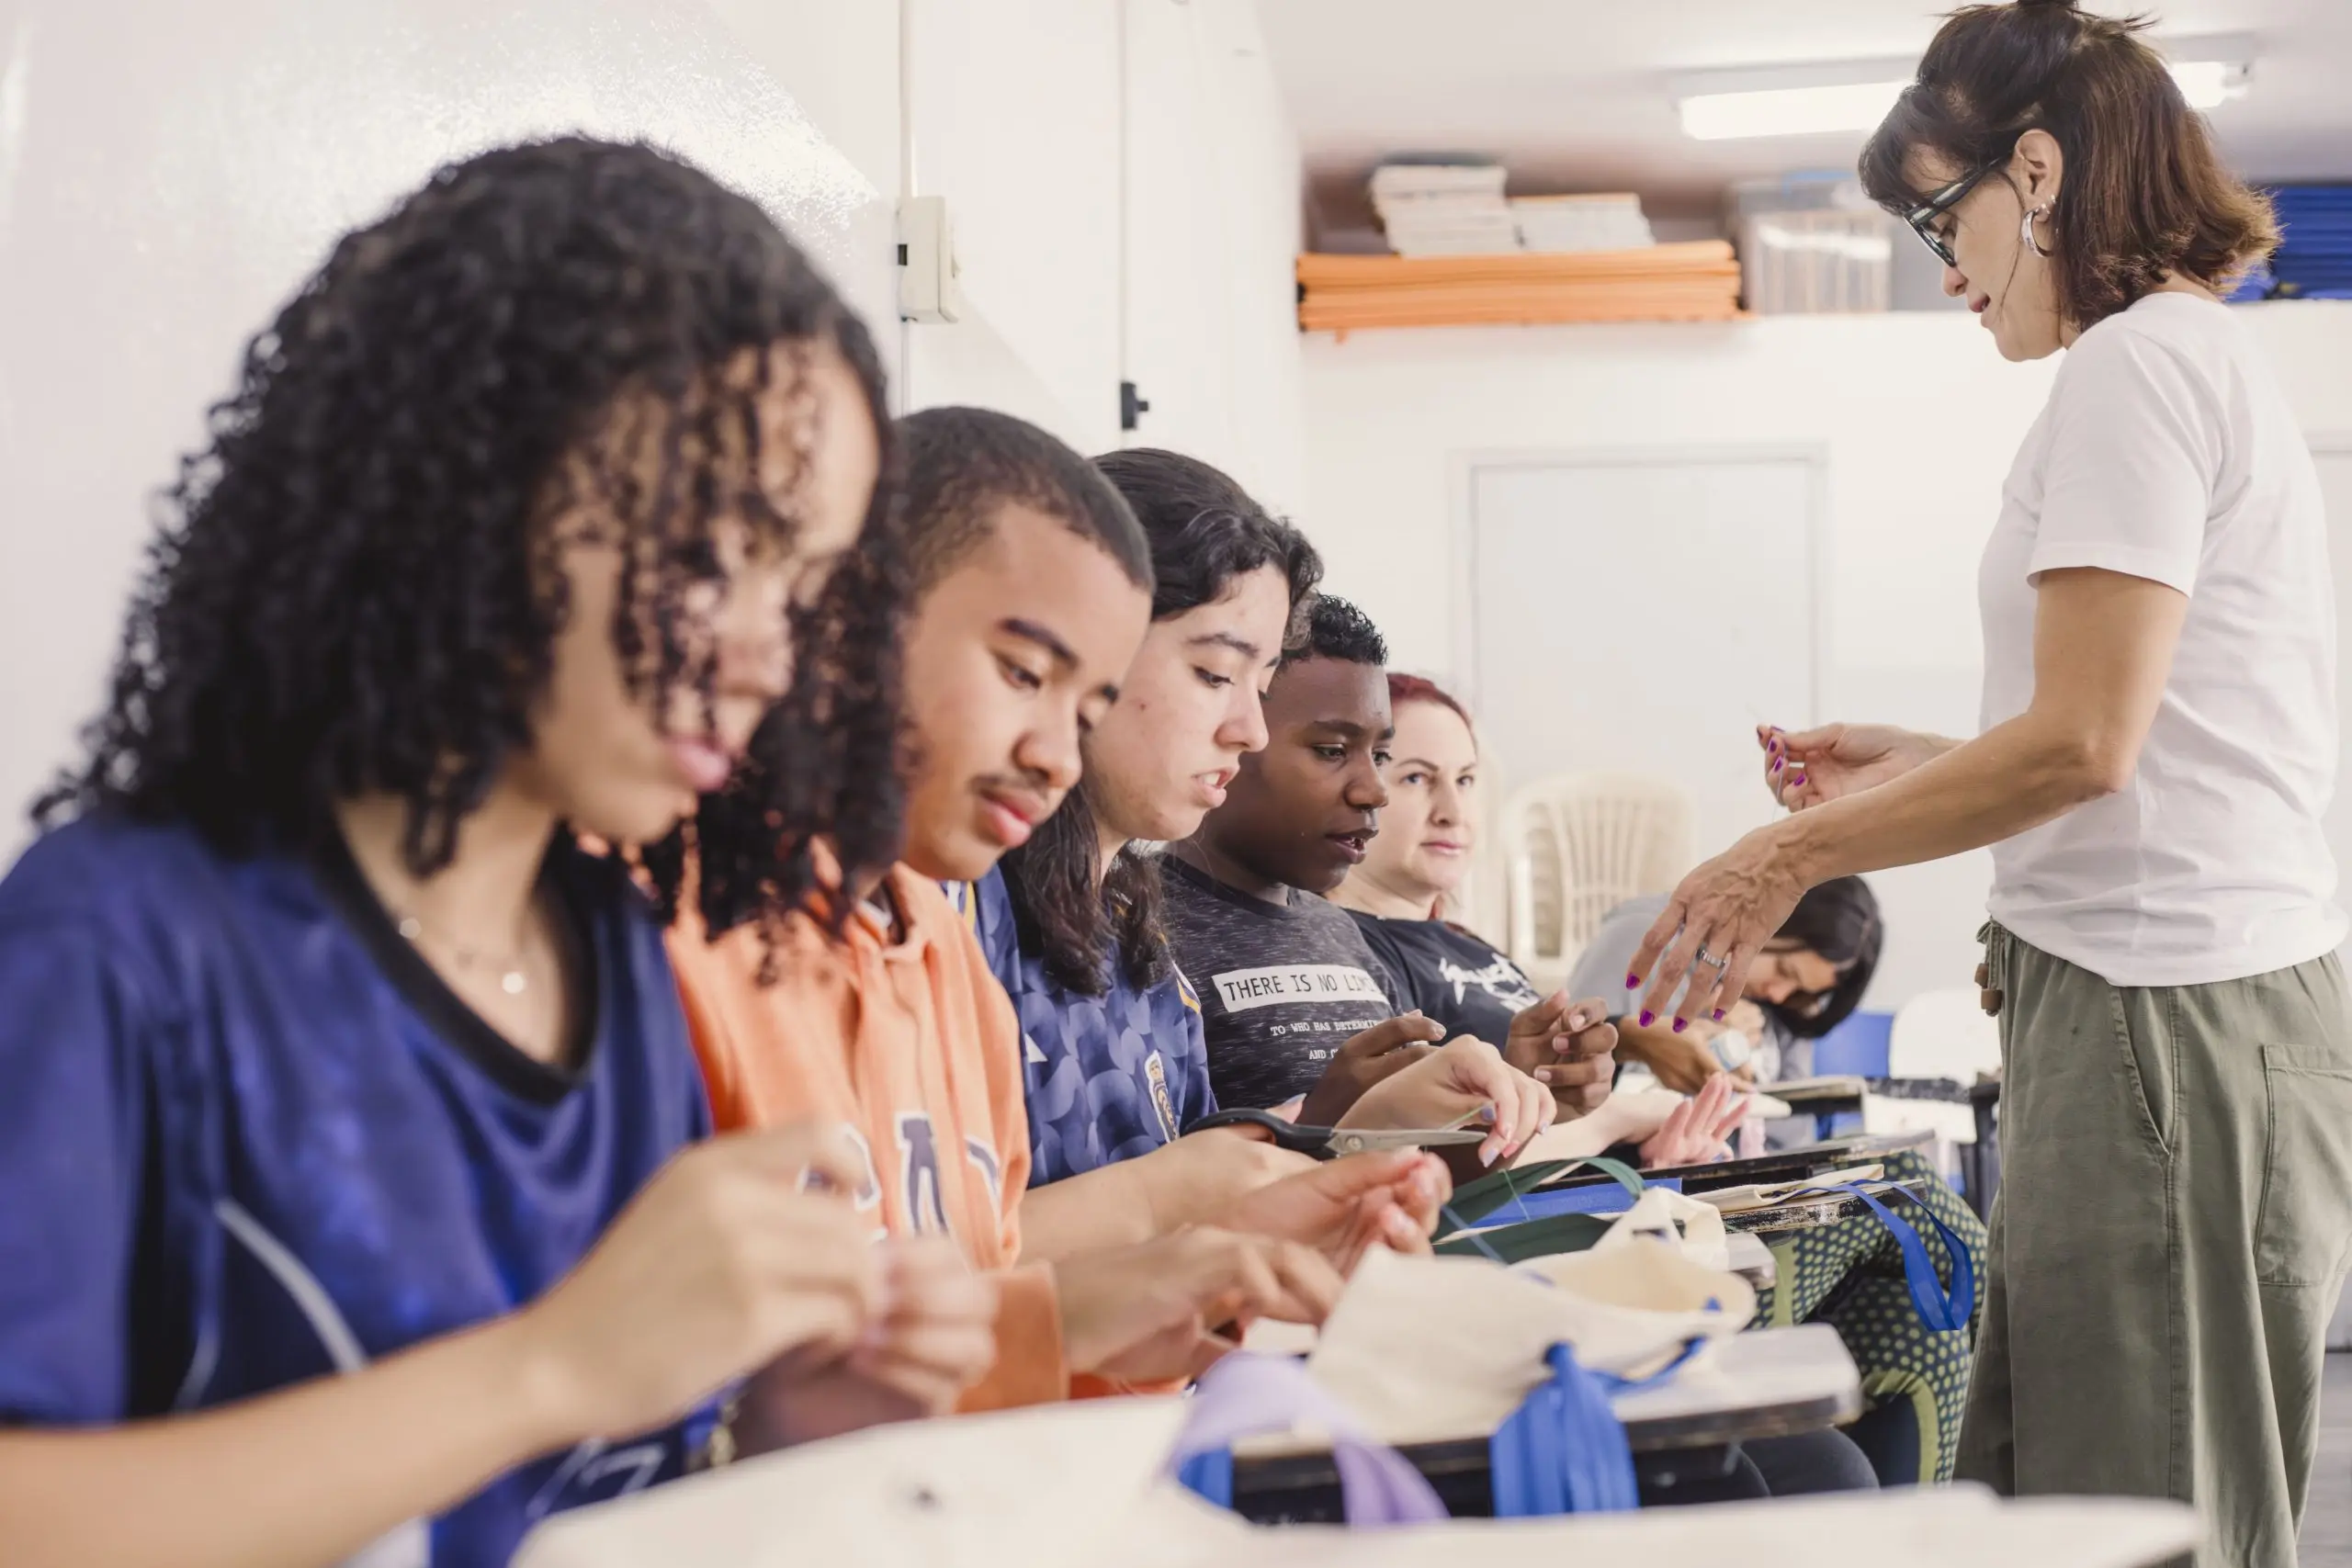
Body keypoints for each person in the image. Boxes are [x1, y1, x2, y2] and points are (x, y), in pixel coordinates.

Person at [0, 140, 999, 1568]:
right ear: (469, 484)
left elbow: (567, 1497)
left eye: (802, 589)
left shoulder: (604, 945)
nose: (765, 657)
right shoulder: (117, 943)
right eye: (715, 551)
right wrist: (553, 1365)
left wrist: (778, 1421)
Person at [1631, 5, 2349, 1556]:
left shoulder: (2139, 367)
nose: (1942, 268)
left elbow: (2086, 745)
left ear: (2038, 171)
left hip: (2163, 1015)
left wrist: (1786, 853)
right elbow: (2155, 738)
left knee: (2144, 1511)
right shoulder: (2179, 360)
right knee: (2073, 1484)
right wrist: (1932, 763)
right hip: (2171, 1005)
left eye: (1940, 218)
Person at [668, 407, 1459, 1401]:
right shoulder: (742, 933)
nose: (1053, 748)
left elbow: (971, 1314)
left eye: (1084, 703)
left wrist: (1237, 1241)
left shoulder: (957, 951)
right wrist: (1167, 1213)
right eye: (1023, 674)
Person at [968, 451, 1552, 1184]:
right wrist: (1314, 1139)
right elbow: (946, 1236)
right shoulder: (967, 913)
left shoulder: (1139, 941)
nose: (1249, 731)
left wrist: (1354, 1131)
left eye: (1262, 682)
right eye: (1215, 674)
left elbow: (1200, 1206)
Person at [1161, 595, 1616, 1135]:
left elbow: (1412, 1161)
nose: (1375, 790)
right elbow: (1159, 1178)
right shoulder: (1142, 931)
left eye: (1379, 756)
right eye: (1332, 750)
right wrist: (1324, 1126)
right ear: (1233, 733)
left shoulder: (1337, 933)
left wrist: (1510, 1101)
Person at [1333, 674, 1750, 1169]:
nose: (1453, 812)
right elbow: (1403, 1159)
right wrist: (1617, 1121)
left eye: (1465, 781)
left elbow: (1544, 1132)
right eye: (1416, 779)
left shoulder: (1470, 946)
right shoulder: (1346, 952)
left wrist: (1647, 1151)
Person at [1573, 877, 1883, 1095]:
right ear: (1767, 916)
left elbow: (1791, 1135)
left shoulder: (1789, 1007)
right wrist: (1702, 1034)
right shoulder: (1641, 937)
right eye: (1783, 969)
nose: (1778, 994)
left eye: (1801, 991)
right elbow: (1569, 1061)